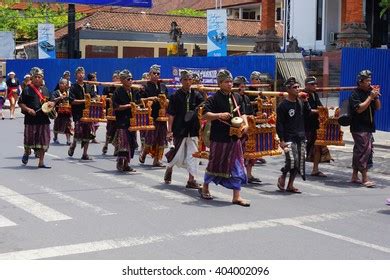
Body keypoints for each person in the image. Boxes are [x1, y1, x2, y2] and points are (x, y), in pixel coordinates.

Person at [199, 70, 250, 207]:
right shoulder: (213, 99)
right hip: (219, 137)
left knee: (238, 165)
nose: (229, 84)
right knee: (214, 163)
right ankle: (205, 187)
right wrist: (219, 115)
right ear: (219, 83)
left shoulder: (237, 97)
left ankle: (236, 196)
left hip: (234, 138)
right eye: (226, 82)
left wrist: (245, 124)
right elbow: (205, 115)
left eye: (230, 81)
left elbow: (243, 112)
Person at [164, 70, 204, 188]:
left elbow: (204, 106)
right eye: (185, 80)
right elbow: (171, 114)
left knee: (193, 154)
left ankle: (191, 180)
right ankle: (169, 167)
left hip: (193, 129)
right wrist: (169, 130)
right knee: (176, 152)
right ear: (181, 81)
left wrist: (204, 93)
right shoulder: (175, 96)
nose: (187, 82)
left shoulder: (197, 95)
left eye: (189, 79)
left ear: (192, 81)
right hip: (179, 129)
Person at [276, 77, 311, 194]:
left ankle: (290, 185)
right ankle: (283, 175)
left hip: (300, 136)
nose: (297, 89)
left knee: (299, 162)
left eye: (298, 87)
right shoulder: (283, 106)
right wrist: (281, 140)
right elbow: (279, 124)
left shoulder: (300, 102)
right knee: (292, 160)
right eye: (294, 87)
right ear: (288, 89)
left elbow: (308, 115)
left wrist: (306, 102)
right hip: (288, 137)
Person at [349, 70, 381, 188]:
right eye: (367, 81)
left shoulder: (370, 93)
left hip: (369, 127)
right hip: (359, 127)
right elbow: (359, 109)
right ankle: (365, 178)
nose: (369, 83)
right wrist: (370, 97)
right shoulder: (355, 94)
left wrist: (375, 96)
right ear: (360, 82)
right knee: (364, 151)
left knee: (359, 151)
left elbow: (378, 107)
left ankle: (354, 176)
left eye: (370, 80)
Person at [18, 67, 52, 168]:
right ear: (32, 78)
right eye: (35, 77)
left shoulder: (46, 90)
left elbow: (51, 102)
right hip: (31, 120)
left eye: (39, 77)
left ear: (42, 79)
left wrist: (51, 105)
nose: (37, 79)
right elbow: (20, 103)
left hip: (44, 119)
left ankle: (41, 162)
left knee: (44, 140)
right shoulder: (27, 90)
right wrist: (28, 110)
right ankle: (26, 152)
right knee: (29, 140)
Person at [233, 76, 261, 184]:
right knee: (238, 154)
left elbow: (250, 113)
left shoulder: (246, 98)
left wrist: (257, 117)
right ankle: (238, 174)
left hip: (248, 129)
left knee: (251, 153)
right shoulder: (233, 98)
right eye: (241, 87)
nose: (243, 89)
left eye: (244, 86)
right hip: (236, 130)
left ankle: (248, 174)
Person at [139, 64, 168, 167]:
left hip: (162, 116)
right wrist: (150, 98)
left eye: (158, 73)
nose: (156, 75)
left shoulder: (163, 86)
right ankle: (144, 153)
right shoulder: (145, 86)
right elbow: (140, 101)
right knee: (150, 138)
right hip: (151, 116)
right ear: (150, 74)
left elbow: (167, 99)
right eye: (154, 73)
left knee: (162, 139)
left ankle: (157, 160)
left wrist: (166, 101)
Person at [112, 69, 140, 172]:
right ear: (122, 80)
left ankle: (127, 164)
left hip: (132, 121)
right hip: (122, 121)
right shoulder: (118, 92)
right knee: (123, 143)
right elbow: (115, 107)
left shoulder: (134, 91)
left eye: (131, 79)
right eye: (128, 79)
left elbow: (139, 103)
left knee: (132, 142)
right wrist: (128, 106)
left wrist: (138, 106)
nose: (130, 81)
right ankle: (120, 162)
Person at [303, 76, 332, 177]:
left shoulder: (315, 94)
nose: (315, 86)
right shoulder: (302, 95)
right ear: (306, 85)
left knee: (317, 146)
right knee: (303, 147)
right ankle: (295, 167)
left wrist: (325, 109)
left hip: (315, 124)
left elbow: (319, 107)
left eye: (315, 84)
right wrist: (320, 111)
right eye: (312, 84)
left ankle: (315, 169)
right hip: (304, 126)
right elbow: (307, 110)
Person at [67, 66, 95, 160]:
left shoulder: (89, 86)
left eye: (82, 73)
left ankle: (85, 153)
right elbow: (72, 101)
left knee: (88, 132)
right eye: (79, 73)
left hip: (88, 113)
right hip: (78, 113)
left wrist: (93, 100)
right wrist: (84, 101)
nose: (81, 75)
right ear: (76, 75)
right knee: (78, 131)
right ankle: (73, 145)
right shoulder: (73, 87)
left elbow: (93, 97)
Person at [102, 70, 120, 155]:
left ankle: (116, 148)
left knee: (118, 130)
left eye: (117, 77)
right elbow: (103, 98)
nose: (115, 79)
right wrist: (109, 99)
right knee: (109, 129)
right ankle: (106, 144)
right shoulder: (108, 87)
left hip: (119, 112)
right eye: (114, 77)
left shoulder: (121, 88)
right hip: (110, 112)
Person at [51, 78, 73, 145]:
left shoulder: (69, 92)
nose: (62, 85)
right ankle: (55, 137)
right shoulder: (56, 92)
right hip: (58, 112)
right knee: (57, 124)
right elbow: (52, 100)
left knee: (68, 125)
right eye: (60, 83)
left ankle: (68, 140)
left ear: (66, 85)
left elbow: (72, 100)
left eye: (63, 83)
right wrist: (59, 98)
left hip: (67, 112)